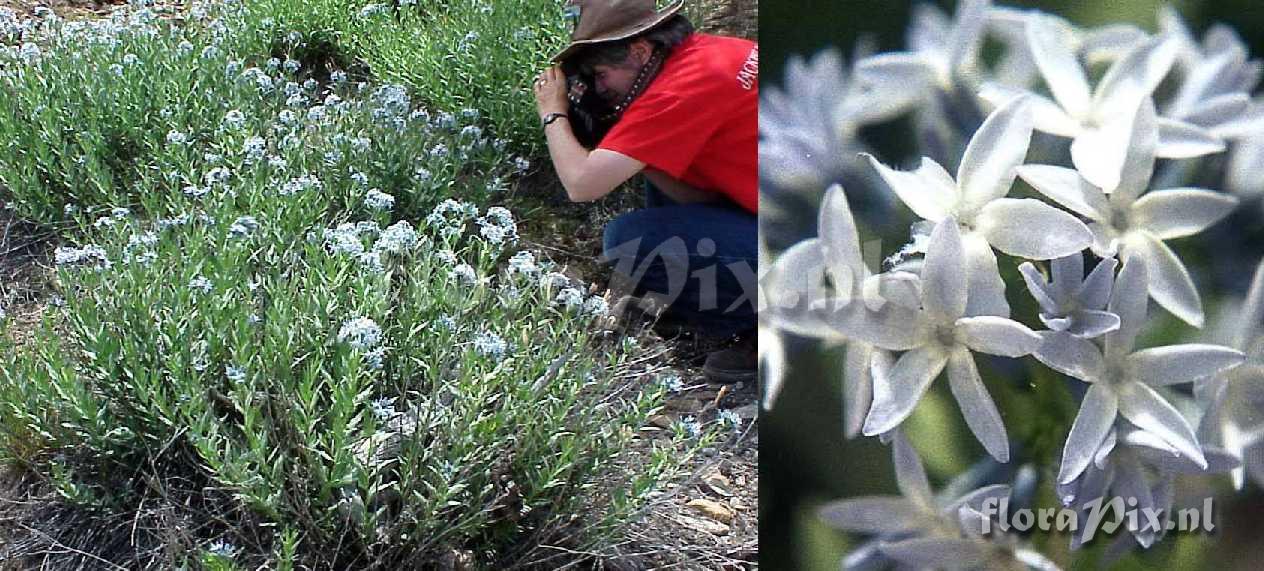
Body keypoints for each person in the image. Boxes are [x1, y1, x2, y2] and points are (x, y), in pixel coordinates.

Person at [532, 0, 758, 383]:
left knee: (626, 240)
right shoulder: (704, 53)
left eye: (601, 74)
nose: (599, 89)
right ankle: (690, 301)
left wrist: (552, 113)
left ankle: (759, 331)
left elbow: (580, 184)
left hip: (798, 247)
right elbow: (700, 200)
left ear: (639, 50)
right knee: (655, 166)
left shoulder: (675, 93)